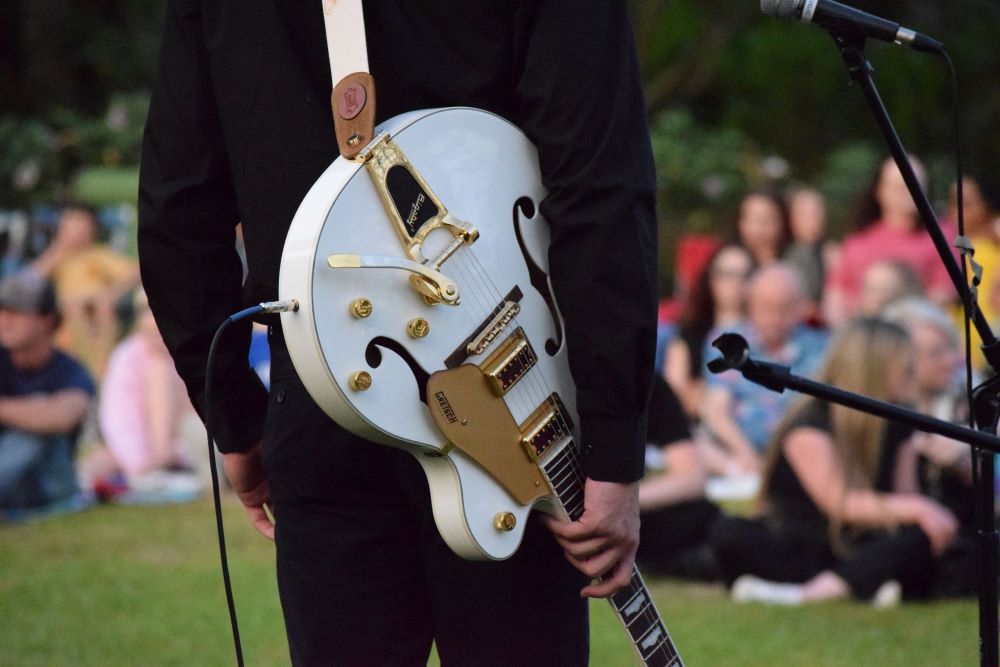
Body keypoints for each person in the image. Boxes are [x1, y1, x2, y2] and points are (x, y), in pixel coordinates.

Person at [138, 3, 656, 665]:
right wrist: (613, 441)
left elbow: (177, 207)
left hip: (324, 392)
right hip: (510, 391)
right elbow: (603, 187)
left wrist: (235, 420)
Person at [711, 319, 957, 606]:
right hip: (800, 542)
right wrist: (921, 509)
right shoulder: (811, 422)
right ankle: (848, 585)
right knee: (728, 532)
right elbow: (840, 503)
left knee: (919, 538)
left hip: (859, 542)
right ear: (874, 368)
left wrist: (918, 512)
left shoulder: (900, 421)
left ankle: (828, 587)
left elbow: (905, 496)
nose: (912, 373)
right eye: (905, 366)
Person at [700, 264, 827, 475]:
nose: (775, 318)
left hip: (799, 455)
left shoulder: (820, 347)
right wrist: (747, 456)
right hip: (738, 454)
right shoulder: (728, 341)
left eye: (784, 308)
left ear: (800, 307)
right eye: (766, 307)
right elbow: (717, 411)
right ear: (750, 304)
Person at [81, 288, 204, 503]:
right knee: (97, 462)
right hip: (147, 454)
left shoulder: (192, 354)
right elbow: (119, 418)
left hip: (186, 447)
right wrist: (141, 461)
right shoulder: (126, 357)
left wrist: (172, 454)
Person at [0, 270, 94, 517]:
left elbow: (62, 417)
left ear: (47, 320)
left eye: (16, 312)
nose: (4, 321)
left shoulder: (69, 370)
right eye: (2, 312)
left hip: (49, 487)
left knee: (38, 424)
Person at [824, 157, 956, 326]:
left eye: (915, 185)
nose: (907, 192)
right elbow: (836, 297)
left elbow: (943, 296)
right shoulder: (858, 241)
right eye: (898, 187)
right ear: (879, 190)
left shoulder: (941, 236)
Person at [30, 203, 139, 378]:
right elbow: (30, 280)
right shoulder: (57, 258)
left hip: (95, 316)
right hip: (64, 322)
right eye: (69, 225)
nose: (75, 231)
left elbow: (135, 272)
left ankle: (99, 371)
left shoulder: (98, 255)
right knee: (74, 306)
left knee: (103, 307)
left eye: (80, 225)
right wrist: (58, 250)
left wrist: (111, 294)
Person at [638, 375, 720, 579]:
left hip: (629, 509)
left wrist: (618, 500)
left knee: (706, 517)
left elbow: (692, 478)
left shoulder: (646, 382)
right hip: (563, 510)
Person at [663, 243, 752, 419]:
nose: (736, 283)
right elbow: (675, 394)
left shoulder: (762, 334)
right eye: (728, 275)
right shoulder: (689, 333)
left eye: (745, 275)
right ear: (712, 279)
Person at [735, 189, 792, 269]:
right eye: (751, 219)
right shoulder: (731, 264)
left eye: (765, 220)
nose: (757, 228)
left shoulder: (795, 263)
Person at [857, 259, 924, 318]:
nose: (878, 298)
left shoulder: (916, 318)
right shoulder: (859, 322)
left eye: (883, 290)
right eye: (870, 290)